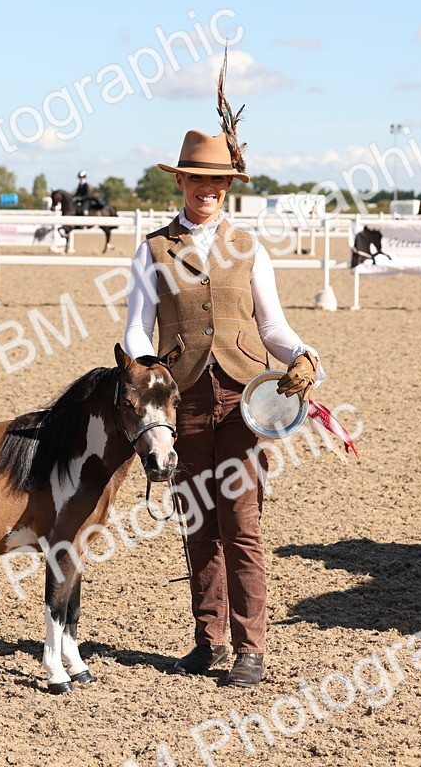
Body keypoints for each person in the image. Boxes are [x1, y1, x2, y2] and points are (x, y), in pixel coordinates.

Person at [122, 90, 323, 689]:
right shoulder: (153, 248)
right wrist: (146, 369)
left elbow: (272, 326)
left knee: (241, 523)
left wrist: (303, 355)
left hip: (244, 401)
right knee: (196, 523)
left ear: (227, 186)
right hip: (181, 403)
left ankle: (250, 648)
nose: (207, 189)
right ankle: (207, 639)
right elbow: (135, 324)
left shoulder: (249, 246)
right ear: (181, 180)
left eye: (218, 181)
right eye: (198, 179)